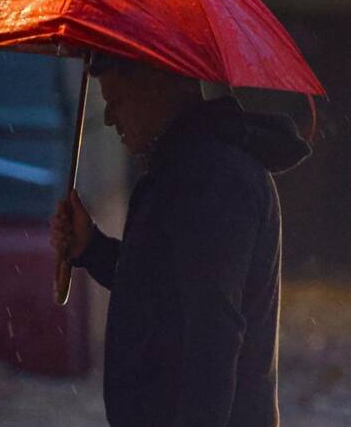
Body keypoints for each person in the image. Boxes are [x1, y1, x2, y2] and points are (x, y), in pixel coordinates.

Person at [50, 53, 311, 426]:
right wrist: (91, 248)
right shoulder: (181, 172)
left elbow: (213, 331)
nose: (108, 118)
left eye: (115, 100)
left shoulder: (213, 179)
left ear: (155, 89)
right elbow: (160, 287)